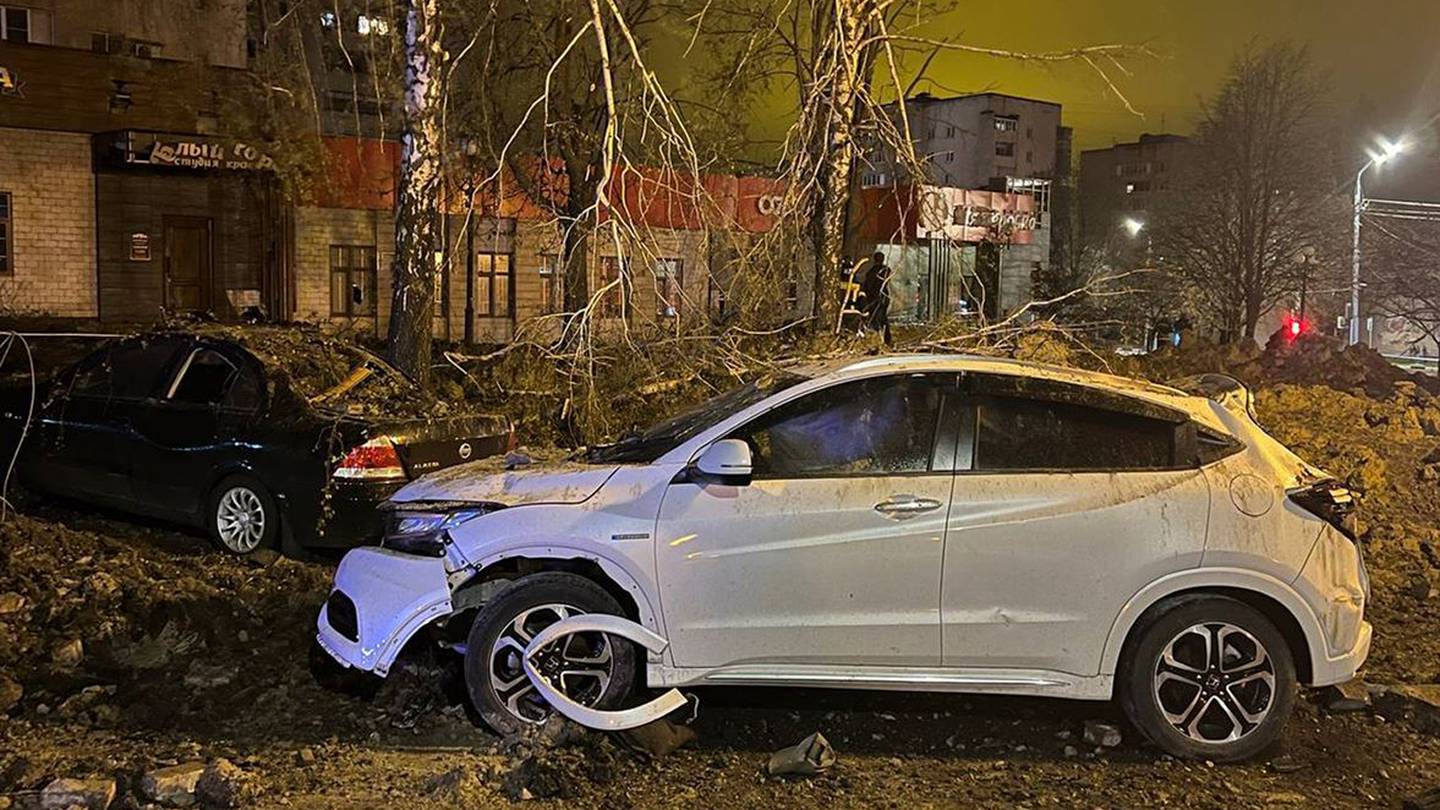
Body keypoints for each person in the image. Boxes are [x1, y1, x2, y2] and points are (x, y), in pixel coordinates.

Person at [860, 251, 893, 344]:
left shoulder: (871, 272)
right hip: (882, 297)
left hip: (873, 298)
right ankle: (885, 339)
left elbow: (866, 286)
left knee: (875, 318)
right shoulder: (885, 270)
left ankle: (880, 339)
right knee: (882, 318)